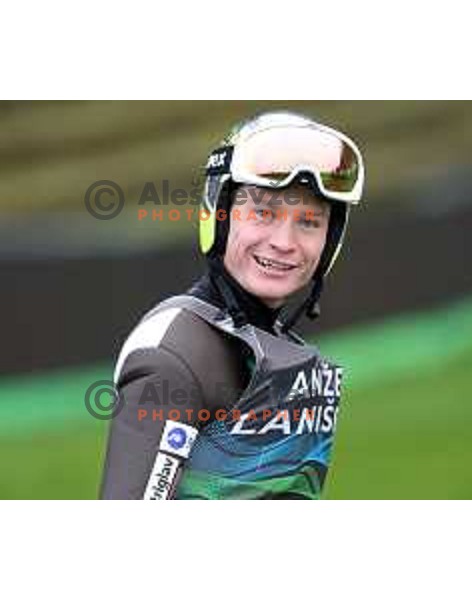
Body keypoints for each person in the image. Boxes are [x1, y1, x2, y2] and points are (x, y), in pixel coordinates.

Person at [100, 110, 365, 499]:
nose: (285, 242)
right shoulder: (175, 356)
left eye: (309, 221)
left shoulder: (273, 344)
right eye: (263, 212)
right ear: (220, 215)